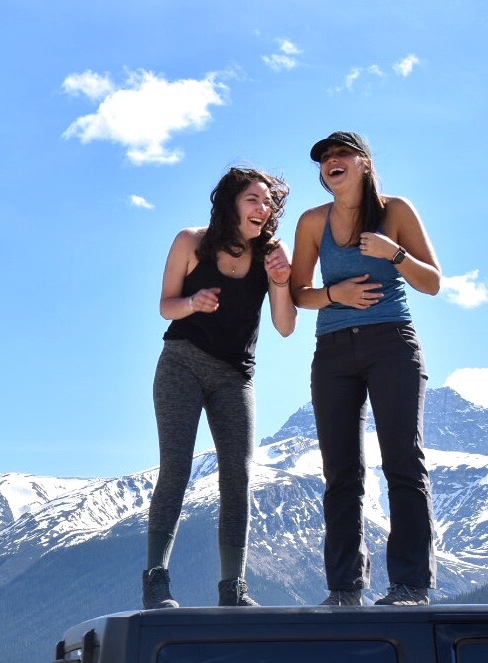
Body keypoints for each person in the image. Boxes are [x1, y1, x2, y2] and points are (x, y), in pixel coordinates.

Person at [289, 131, 441, 606]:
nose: (331, 162)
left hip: (391, 343)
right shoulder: (313, 221)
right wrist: (337, 295)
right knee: (341, 471)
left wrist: (393, 254)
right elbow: (299, 292)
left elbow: (432, 282)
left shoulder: (396, 211)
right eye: (324, 159)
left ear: (364, 164)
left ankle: (411, 585)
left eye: (341, 155)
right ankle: (344, 589)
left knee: (403, 460)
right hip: (332, 351)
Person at [144, 167, 296, 608]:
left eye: (268, 203)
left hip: (235, 376)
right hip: (182, 366)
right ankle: (155, 580)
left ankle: (233, 589)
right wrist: (192, 303)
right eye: (253, 199)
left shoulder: (271, 253)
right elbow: (165, 305)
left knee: (238, 474)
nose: (263, 209)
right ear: (231, 202)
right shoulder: (191, 241)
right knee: (176, 467)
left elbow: (285, 327)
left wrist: (282, 283)